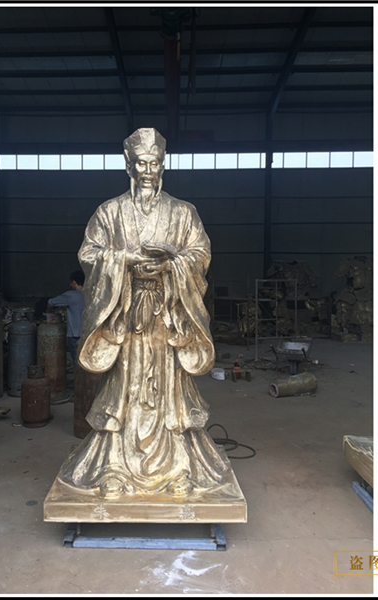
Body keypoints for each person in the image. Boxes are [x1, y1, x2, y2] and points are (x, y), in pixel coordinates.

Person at [58, 128, 229, 499]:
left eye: (154, 163)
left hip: (167, 319)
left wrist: (172, 265)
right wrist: (124, 260)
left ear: (163, 165)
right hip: (125, 317)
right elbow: (89, 254)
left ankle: (178, 466)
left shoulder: (183, 212)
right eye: (141, 163)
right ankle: (114, 467)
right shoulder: (110, 212)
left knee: (170, 396)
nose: (148, 171)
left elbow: (200, 254)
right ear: (128, 166)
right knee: (124, 391)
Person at [47, 271, 85, 363]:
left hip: (75, 335)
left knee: (77, 362)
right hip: (88, 335)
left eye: (71, 283)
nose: (71, 285)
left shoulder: (71, 295)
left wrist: (49, 311)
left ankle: (78, 372)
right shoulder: (91, 294)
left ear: (74, 282)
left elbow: (51, 302)